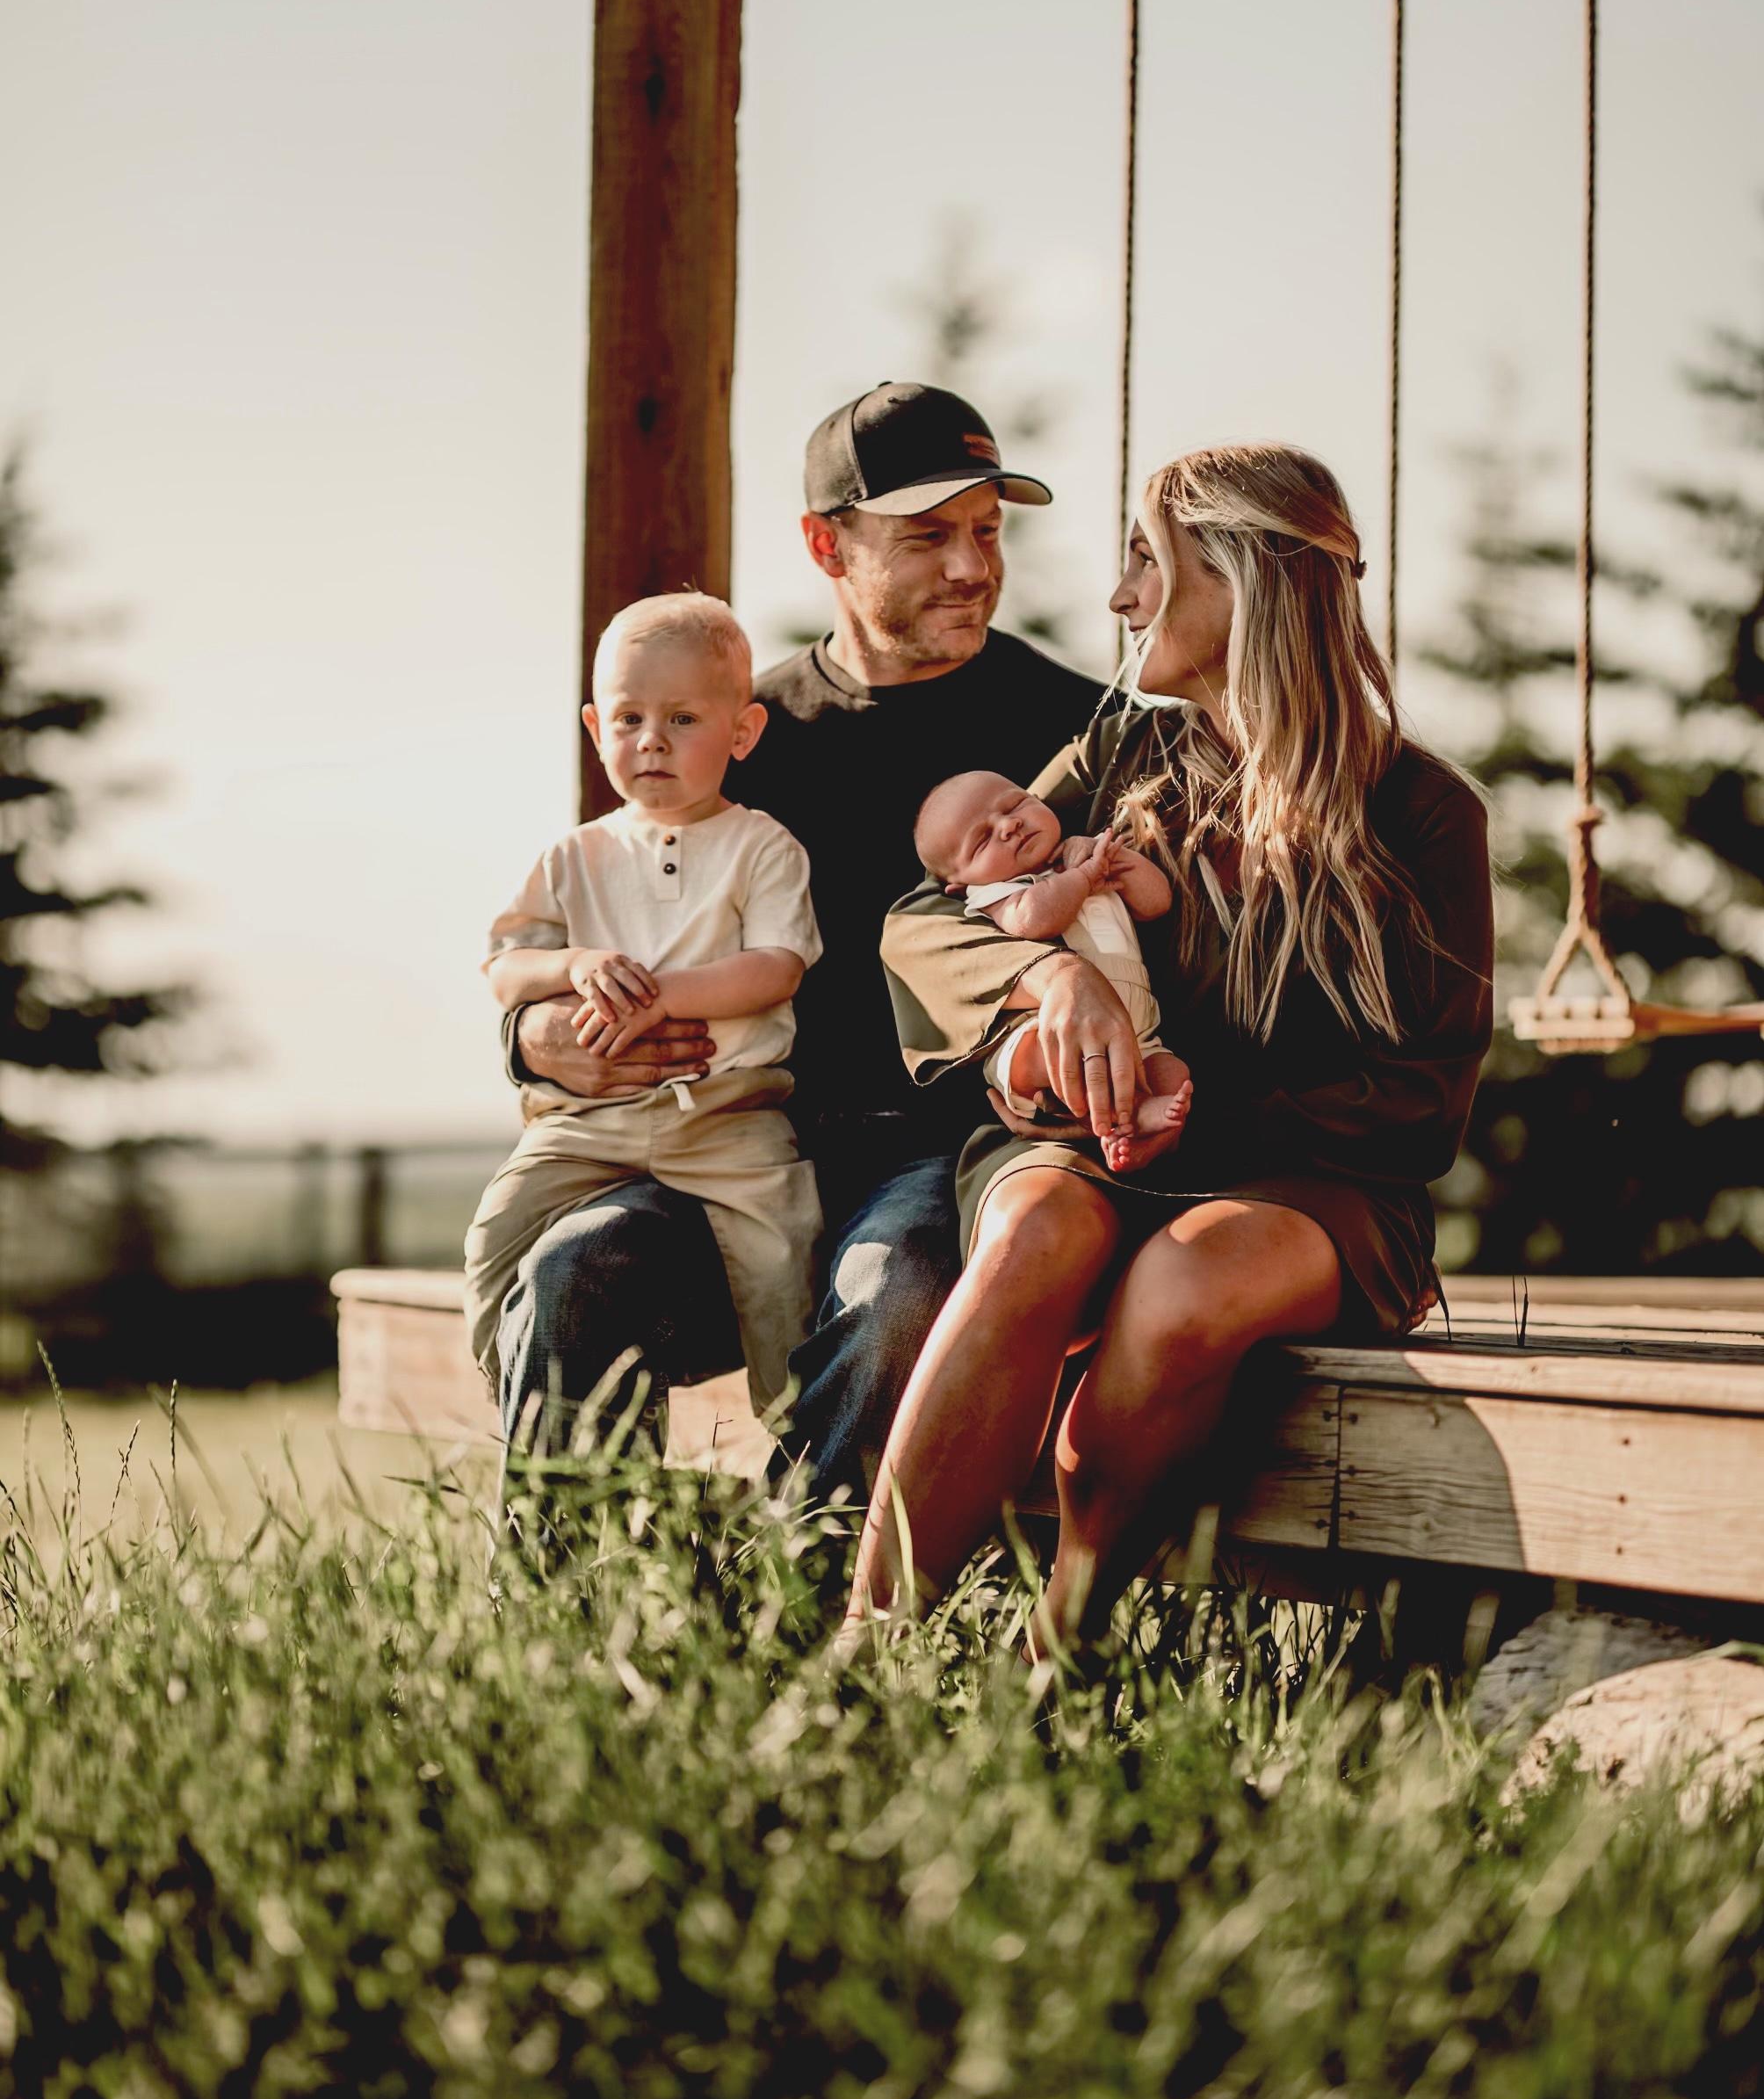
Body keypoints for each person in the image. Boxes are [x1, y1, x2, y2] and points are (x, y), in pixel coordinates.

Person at [851, 442, 1493, 1650]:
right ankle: (871, 1651)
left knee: (1187, 1280)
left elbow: (1420, 1104)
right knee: (1036, 1227)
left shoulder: (1422, 812)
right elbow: (928, 921)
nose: (1121, 594)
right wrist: (1051, 982)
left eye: (1149, 558)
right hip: (1096, 1146)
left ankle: (1068, 1648)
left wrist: (1199, 1104)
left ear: (1244, 580)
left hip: (1320, 1187)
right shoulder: (1122, 759)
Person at [495, 383, 1102, 1494]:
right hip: (730, 1133)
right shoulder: (733, 732)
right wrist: (538, 1039)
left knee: (892, 1297)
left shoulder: (1075, 732)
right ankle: (569, 1632)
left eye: (985, 530)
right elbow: (584, 929)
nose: (970, 567)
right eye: (925, 537)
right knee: (571, 1269)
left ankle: (796, 1623)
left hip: (950, 1153)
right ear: (826, 542)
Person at [465, 594, 821, 1430]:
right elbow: (504, 966)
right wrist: (575, 964)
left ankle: (797, 1436)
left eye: (682, 718)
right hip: (585, 1120)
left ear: (743, 733)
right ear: (596, 729)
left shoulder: (761, 845)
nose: (650, 740)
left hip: (728, 1116)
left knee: (783, 1254)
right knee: (496, 1235)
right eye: (627, 718)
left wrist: (663, 995)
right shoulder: (574, 855)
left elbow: (777, 966)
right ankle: (505, 1390)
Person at [912, 770, 1194, 1170]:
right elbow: (1035, 920)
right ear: (959, 886)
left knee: (1172, 1072)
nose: (1009, 825)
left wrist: (1116, 861)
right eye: (983, 840)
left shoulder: (1087, 854)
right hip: (1048, 1034)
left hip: (1138, 1035)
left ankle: (1139, 1139)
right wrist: (1083, 877)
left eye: (1015, 805)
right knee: (1061, 1060)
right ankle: (1125, 1116)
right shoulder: (998, 895)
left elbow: (1156, 902)